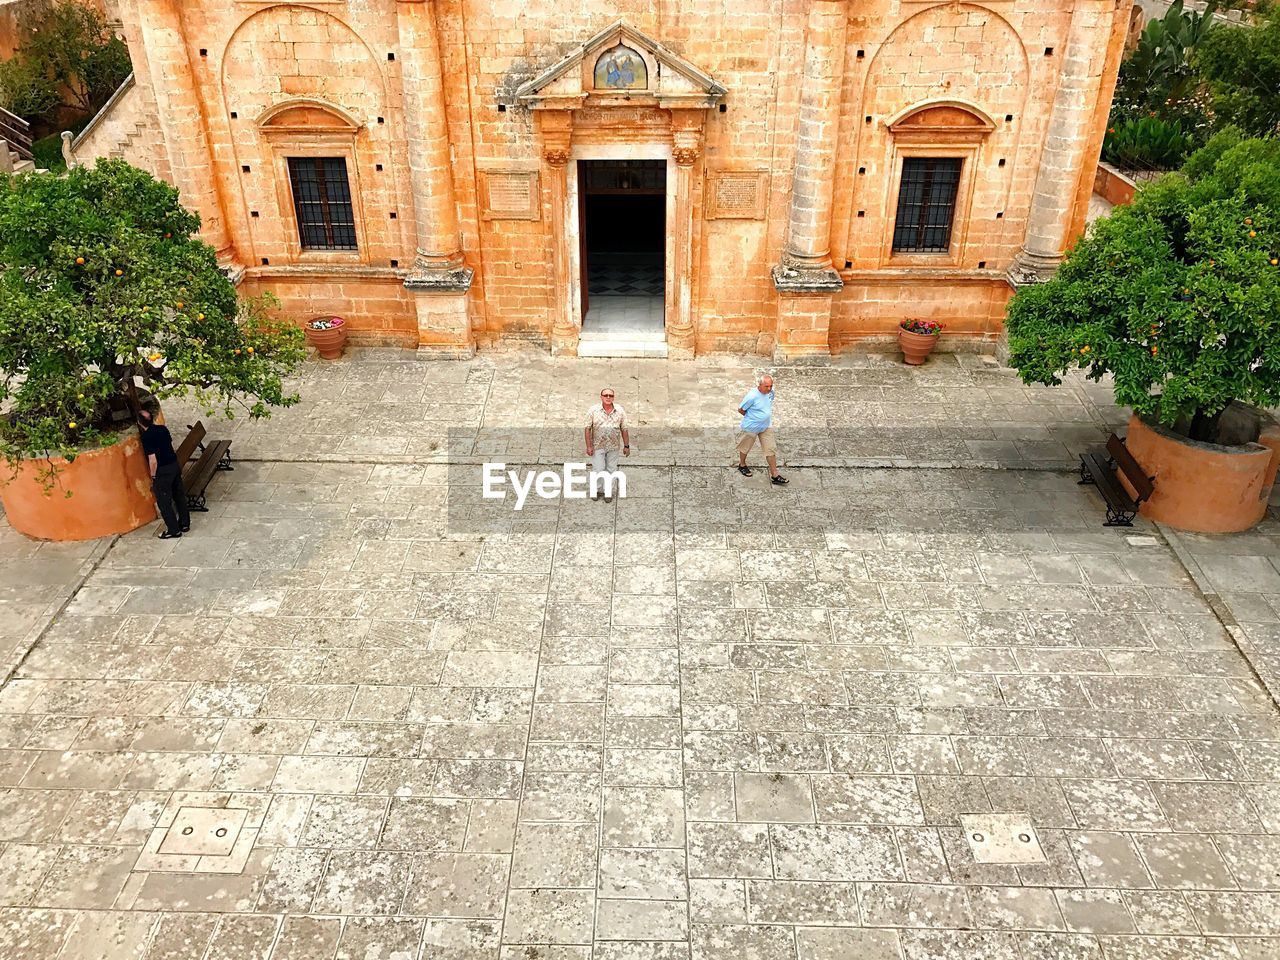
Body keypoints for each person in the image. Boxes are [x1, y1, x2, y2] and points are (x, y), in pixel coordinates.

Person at [138, 406, 190, 539]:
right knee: (179, 495)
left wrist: (154, 475)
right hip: (173, 464)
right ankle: (184, 523)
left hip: (163, 470)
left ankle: (173, 530)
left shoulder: (147, 437)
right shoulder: (162, 429)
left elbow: (153, 459)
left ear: (140, 423)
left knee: (164, 502)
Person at [736, 372, 787, 485]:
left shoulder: (770, 393)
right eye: (766, 386)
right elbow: (741, 409)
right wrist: (752, 418)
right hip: (751, 427)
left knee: (770, 448)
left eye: (771, 386)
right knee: (745, 447)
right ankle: (742, 465)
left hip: (765, 426)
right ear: (760, 385)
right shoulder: (752, 396)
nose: (769, 389)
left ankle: (775, 475)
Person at [584, 387, 630, 502]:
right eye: (606, 395)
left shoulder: (620, 411)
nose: (608, 397)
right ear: (601, 397)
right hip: (598, 445)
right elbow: (587, 428)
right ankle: (596, 489)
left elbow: (624, 429)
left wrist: (626, 446)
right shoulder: (593, 410)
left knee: (611, 469)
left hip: (613, 446)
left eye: (610, 395)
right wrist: (589, 446)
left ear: (613, 397)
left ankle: (607, 491)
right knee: (598, 469)